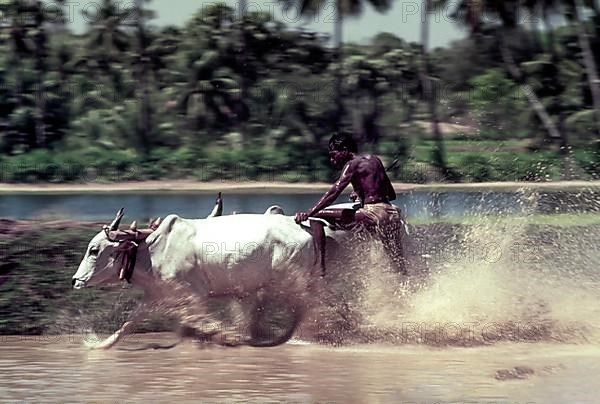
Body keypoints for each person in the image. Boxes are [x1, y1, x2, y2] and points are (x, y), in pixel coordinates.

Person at [294, 133, 406, 274]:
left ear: (345, 150)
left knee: (316, 217)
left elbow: (334, 192)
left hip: (373, 214)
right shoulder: (376, 160)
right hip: (392, 215)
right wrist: (361, 193)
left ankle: (320, 267)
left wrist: (309, 212)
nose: (332, 159)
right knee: (398, 264)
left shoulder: (351, 165)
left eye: (333, 154)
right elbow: (391, 195)